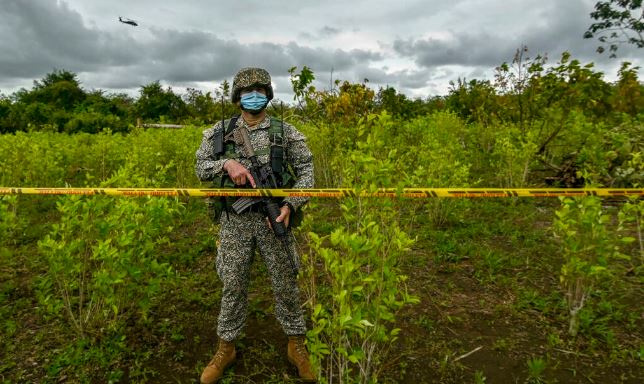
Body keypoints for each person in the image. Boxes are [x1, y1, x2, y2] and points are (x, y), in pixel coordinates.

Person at [195, 67, 316, 383]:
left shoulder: (285, 132)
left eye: (260, 91)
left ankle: (296, 344)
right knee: (232, 283)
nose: (254, 96)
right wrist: (226, 163)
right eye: (248, 91)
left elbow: (307, 172)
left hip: (274, 219)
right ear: (237, 97)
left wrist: (291, 203)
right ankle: (226, 346)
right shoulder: (219, 132)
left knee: (286, 281)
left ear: (269, 95)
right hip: (235, 221)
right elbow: (200, 168)